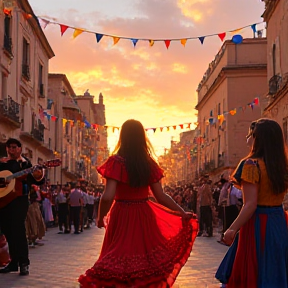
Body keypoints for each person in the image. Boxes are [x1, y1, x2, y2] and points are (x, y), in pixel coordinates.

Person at [78, 119, 198, 288]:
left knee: (118, 261)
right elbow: (161, 196)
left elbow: (107, 196)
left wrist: (100, 217)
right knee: (146, 263)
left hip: (122, 214)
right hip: (144, 214)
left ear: (123, 137)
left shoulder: (116, 162)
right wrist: (181, 213)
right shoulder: (148, 164)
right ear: (142, 138)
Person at [215, 118, 288, 287]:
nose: (247, 136)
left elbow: (250, 204)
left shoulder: (251, 164)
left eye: (250, 133)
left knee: (254, 270)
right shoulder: (282, 166)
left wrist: (232, 228)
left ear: (257, 137)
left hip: (257, 223)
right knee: (275, 268)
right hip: (278, 220)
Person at [0, 138, 45, 275]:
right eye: (9, 147)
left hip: (19, 200)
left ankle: (24, 263)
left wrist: (39, 175)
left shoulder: (25, 164)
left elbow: (35, 180)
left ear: (20, 149)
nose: (11, 150)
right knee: (7, 231)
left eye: (14, 147)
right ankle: (13, 262)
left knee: (18, 230)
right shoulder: (2, 163)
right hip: (3, 200)